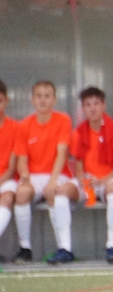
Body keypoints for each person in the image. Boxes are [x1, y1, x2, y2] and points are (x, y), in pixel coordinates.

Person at [12, 80, 77, 264]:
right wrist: (25, 177)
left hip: (58, 173)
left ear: (54, 100)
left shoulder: (63, 120)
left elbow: (62, 154)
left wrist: (52, 181)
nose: (43, 100)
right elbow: (22, 160)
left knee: (55, 192)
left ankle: (65, 248)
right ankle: (25, 248)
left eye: (47, 96)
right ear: (32, 100)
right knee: (22, 193)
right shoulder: (24, 125)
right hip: (34, 176)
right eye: (39, 96)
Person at [70, 86, 113, 263]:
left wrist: (100, 181)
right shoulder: (79, 132)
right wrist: (85, 181)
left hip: (108, 179)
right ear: (83, 109)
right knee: (62, 192)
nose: (92, 108)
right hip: (88, 182)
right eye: (88, 105)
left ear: (103, 105)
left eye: (96, 104)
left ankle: (111, 246)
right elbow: (78, 166)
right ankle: (65, 248)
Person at [0, 81, 19, 254]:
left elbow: (12, 168)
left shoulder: (15, 128)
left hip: (6, 179)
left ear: (6, 101)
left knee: (7, 198)